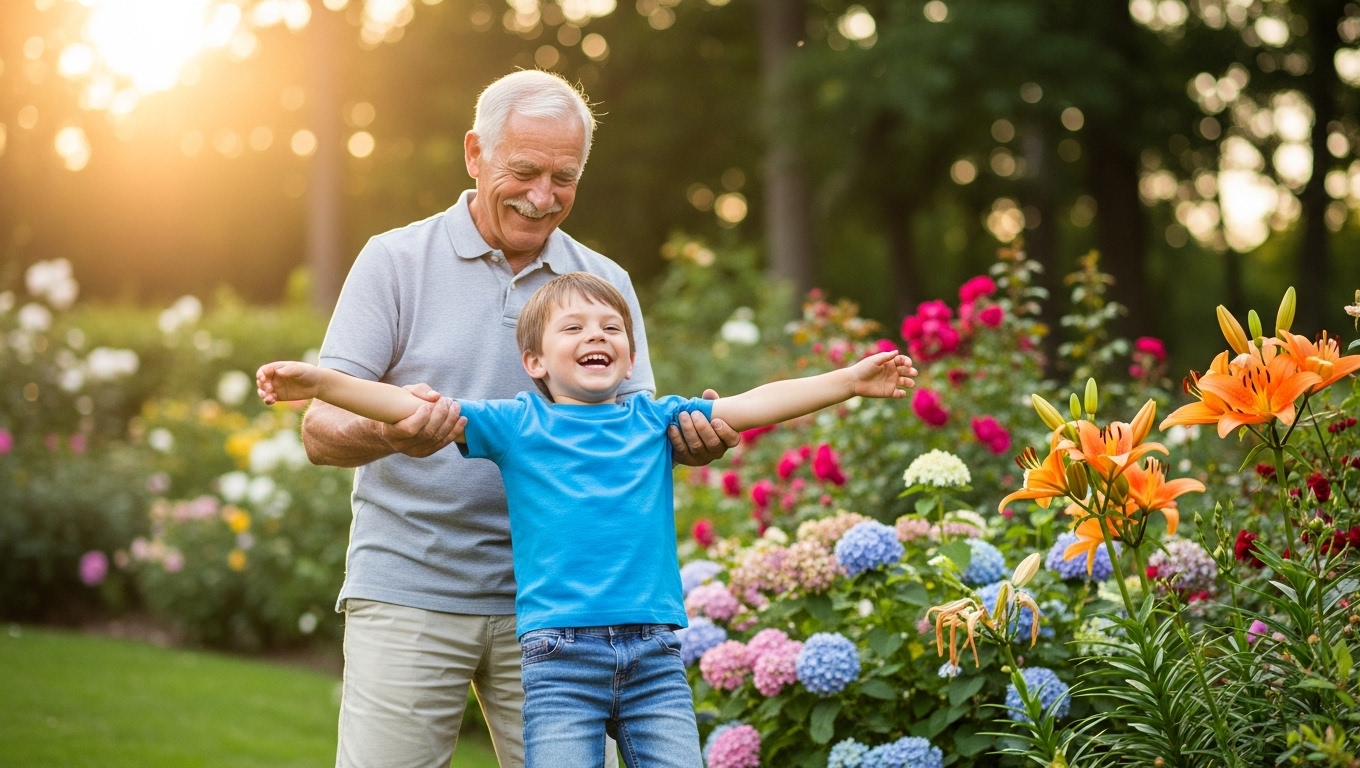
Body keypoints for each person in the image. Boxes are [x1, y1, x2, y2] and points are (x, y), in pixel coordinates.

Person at [257, 271, 917, 767]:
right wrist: (320, 383)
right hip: (559, 660)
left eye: (610, 329)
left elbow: (758, 403)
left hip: (655, 655)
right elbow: (400, 406)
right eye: (573, 329)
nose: (595, 337)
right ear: (536, 362)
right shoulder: (516, 423)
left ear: (630, 358)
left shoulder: (656, 420)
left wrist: (850, 380)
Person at [302, 70, 738, 768]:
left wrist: (692, 443)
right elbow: (319, 431)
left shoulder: (602, 286)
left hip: (567, 614)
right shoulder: (394, 261)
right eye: (525, 170)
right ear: (475, 154)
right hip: (412, 584)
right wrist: (387, 433)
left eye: (563, 178)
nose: (542, 197)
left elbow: (631, 429)